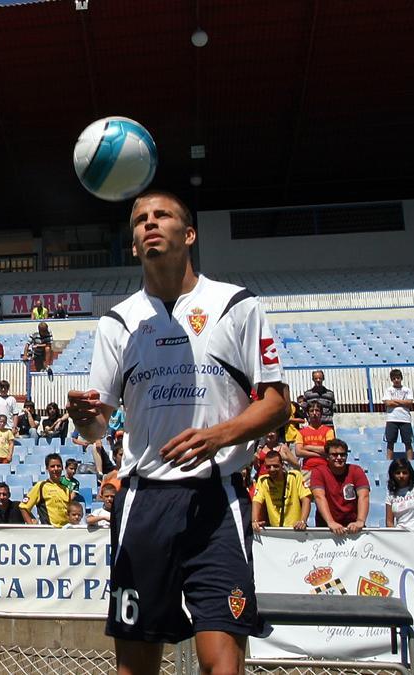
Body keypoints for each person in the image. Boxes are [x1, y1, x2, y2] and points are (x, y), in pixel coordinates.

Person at [65, 190, 289, 675]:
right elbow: (98, 423)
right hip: (144, 502)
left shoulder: (236, 306)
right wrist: (85, 418)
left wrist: (219, 436)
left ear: (188, 234)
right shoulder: (117, 322)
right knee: (137, 664)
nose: (149, 224)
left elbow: (276, 405)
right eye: (140, 219)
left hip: (217, 502)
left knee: (222, 664)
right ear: (132, 246)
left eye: (161, 215)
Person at [310, 439, 369, 536]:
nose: (339, 458)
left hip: (353, 526)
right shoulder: (318, 472)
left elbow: (364, 496)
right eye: (334, 455)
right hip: (326, 526)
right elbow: (319, 497)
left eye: (342, 454)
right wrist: (330, 522)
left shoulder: (356, 470)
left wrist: (360, 521)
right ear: (327, 457)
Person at [251, 450, 310, 532]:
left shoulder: (295, 476)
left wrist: (303, 521)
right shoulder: (262, 480)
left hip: (296, 529)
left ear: (282, 465)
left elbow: (306, 499)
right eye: (268, 466)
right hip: (276, 531)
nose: (272, 469)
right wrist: (254, 520)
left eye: (275, 466)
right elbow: (256, 501)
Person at [19, 454, 71, 526]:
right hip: (49, 531)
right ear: (47, 469)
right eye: (52, 466)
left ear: (62, 468)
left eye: (58, 466)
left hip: (66, 531)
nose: (56, 469)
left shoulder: (67, 488)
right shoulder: (41, 486)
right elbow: (23, 507)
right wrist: (31, 526)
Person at [294, 403, 334, 484]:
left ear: (321, 413)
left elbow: (329, 449)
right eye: (311, 411)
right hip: (307, 470)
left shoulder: (328, 431)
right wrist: (320, 454)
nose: (314, 413)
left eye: (317, 410)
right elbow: (298, 452)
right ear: (308, 413)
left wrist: (307, 447)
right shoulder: (301, 432)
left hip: (325, 469)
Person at [382, 368, 414, 460]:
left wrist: (395, 400)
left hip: (405, 419)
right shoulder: (388, 390)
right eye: (394, 378)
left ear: (401, 378)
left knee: (408, 442)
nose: (396, 380)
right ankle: (388, 462)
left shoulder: (407, 390)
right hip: (392, 419)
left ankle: (410, 462)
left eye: (398, 378)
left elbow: (409, 403)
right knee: (390, 442)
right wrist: (403, 402)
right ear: (392, 380)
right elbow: (388, 403)